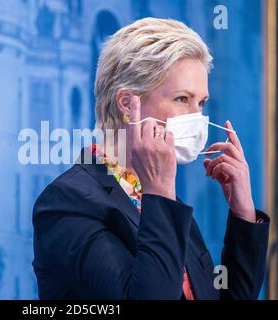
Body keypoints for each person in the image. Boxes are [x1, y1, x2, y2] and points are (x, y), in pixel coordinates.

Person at [32, 18, 269, 299]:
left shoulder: (164, 203)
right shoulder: (67, 202)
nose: (198, 117)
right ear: (126, 104)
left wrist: (243, 214)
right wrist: (160, 193)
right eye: (182, 99)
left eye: (201, 103)